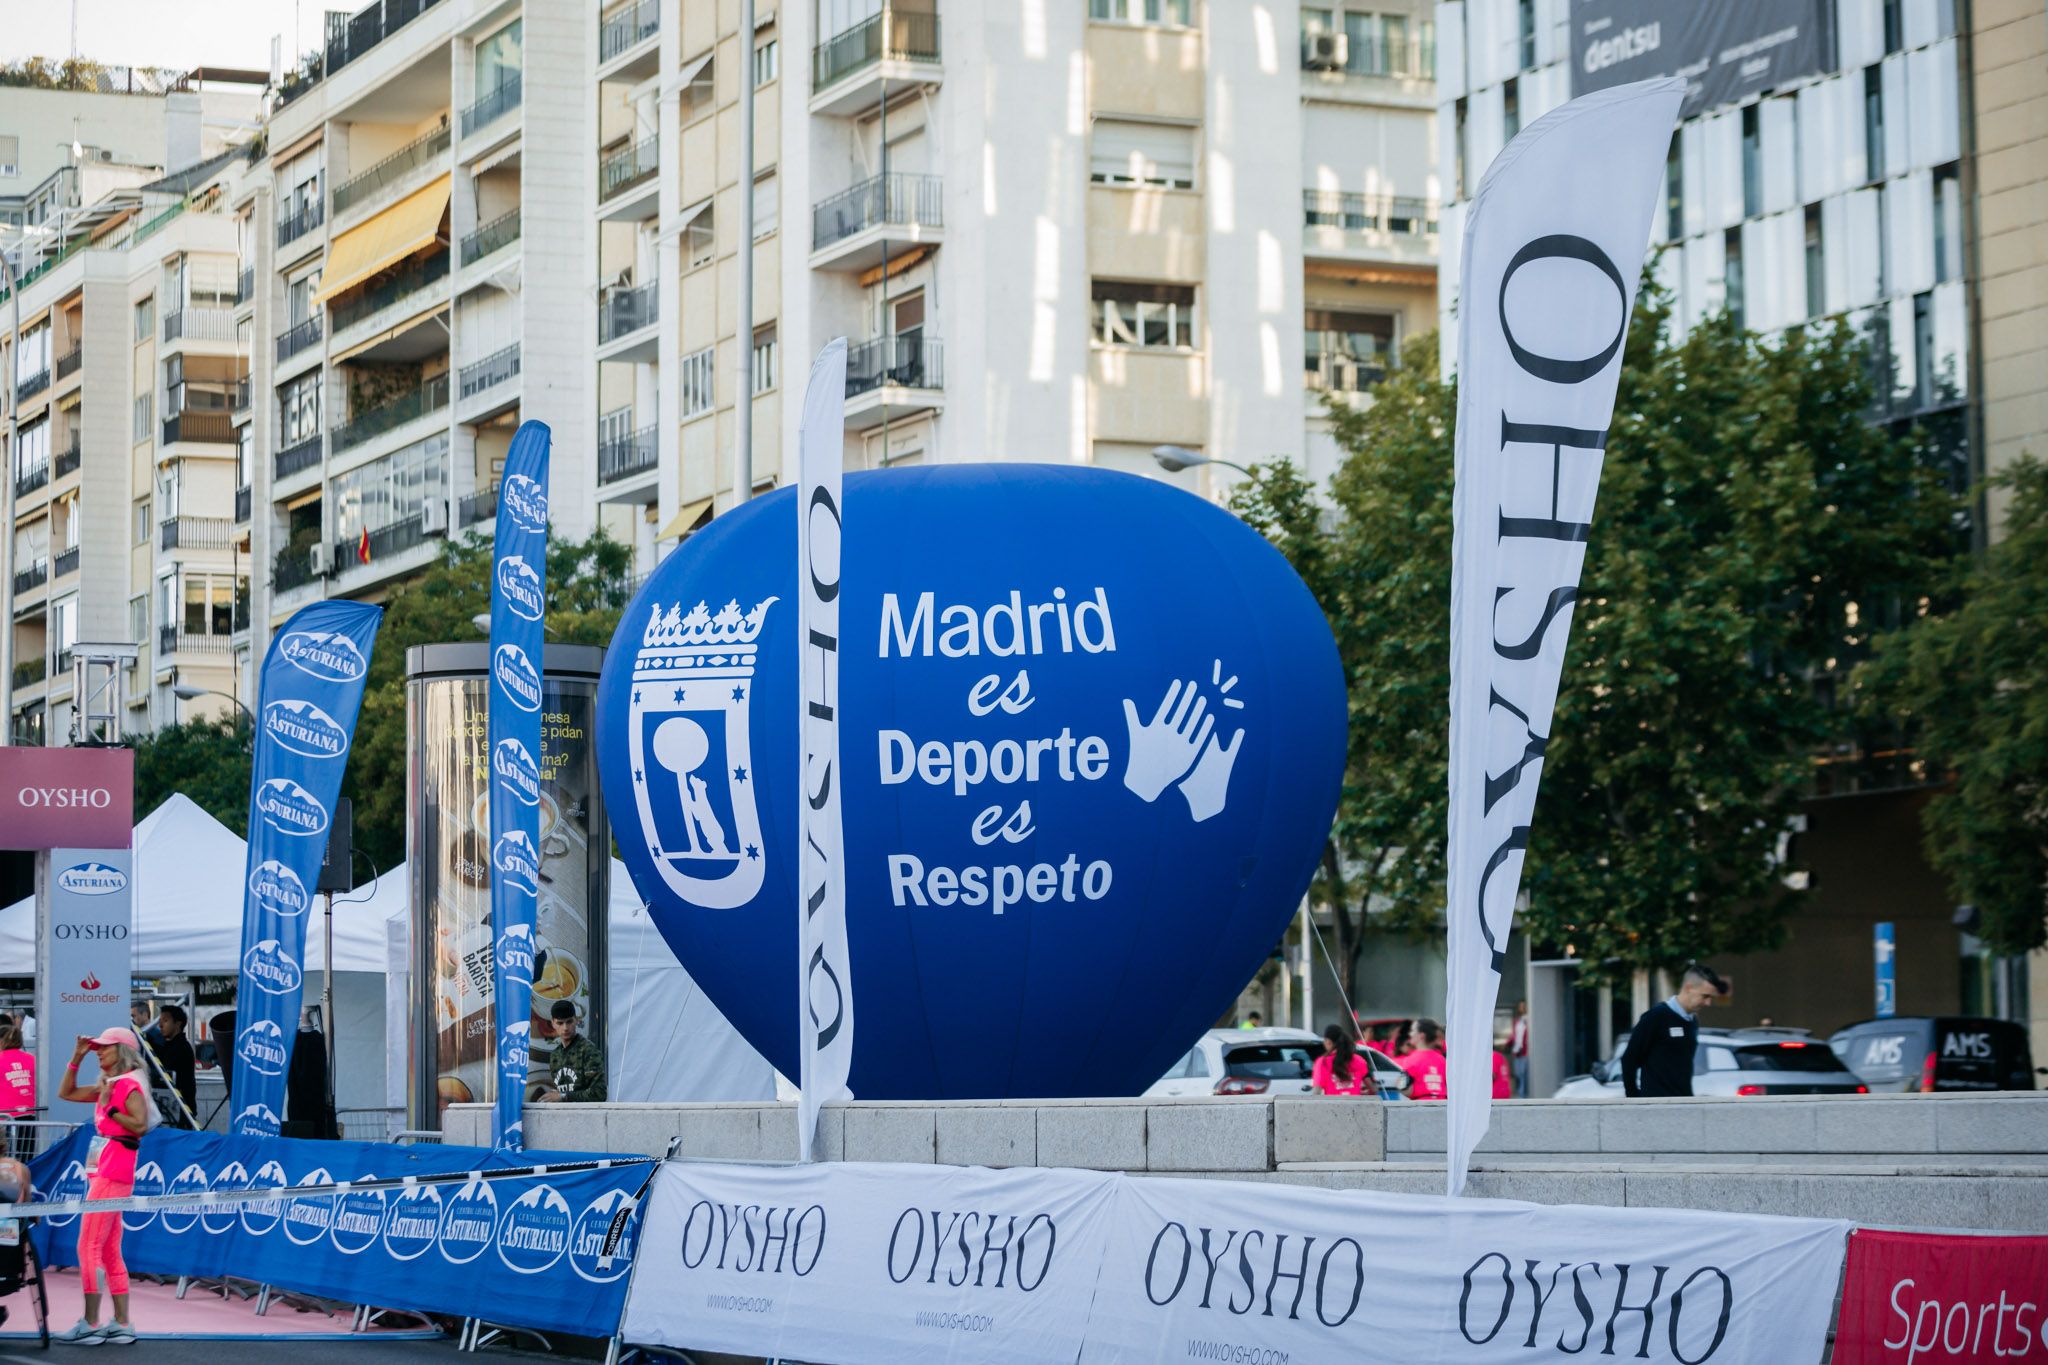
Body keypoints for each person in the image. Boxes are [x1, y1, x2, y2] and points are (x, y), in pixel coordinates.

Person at [55, 1025, 150, 1344]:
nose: (98, 1051)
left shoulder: (126, 1085)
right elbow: (66, 1093)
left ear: (122, 1051)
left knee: (89, 1245)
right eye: (96, 1047)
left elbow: (139, 1126)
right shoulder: (115, 1083)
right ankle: (121, 1322)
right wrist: (75, 1059)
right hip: (109, 1167)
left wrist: (109, 1106)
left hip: (113, 1169)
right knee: (108, 1248)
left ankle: (91, 1322)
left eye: (104, 1047)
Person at [1619, 963, 1726, 1098]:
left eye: (1711, 998)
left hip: (1683, 1105)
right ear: (1688, 987)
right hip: (1657, 1107)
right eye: (1705, 996)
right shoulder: (1656, 1017)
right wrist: (1634, 1099)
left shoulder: (1692, 1021)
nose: (1708, 1003)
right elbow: (1629, 1059)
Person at [537, 1001, 606, 1102]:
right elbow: (563, 1090)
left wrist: (563, 1096)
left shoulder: (588, 1051)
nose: (565, 1028)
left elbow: (599, 1093)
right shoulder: (555, 1056)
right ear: (553, 1023)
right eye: (560, 1023)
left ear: (576, 1020)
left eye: (569, 1022)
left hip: (587, 1115)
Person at [143, 1004, 197, 1124]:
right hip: (172, 1111)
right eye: (160, 1021)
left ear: (177, 1024)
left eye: (165, 1021)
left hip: (181, 1113)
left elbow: (164, 1069)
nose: (160, 1025)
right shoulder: (169, 1046)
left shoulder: (181, 1048)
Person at [1311, 1025, 1375, 1097]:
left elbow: (1316, 1093)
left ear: (1328, 1041)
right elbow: (1373, 1090)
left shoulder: (1323, 1062)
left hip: (1333, 1106)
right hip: (1356, 1106)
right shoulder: (1359, 1060)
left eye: (1324, 1040)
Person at [1398, 1019, 1449, 1100]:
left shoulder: (1410, 1060)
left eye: (1412, 1031)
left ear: (1421, 1035)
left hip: (1420, 1106)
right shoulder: (1443, 1060)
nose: (1410, 1034)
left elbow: (1404, 1089)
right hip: (1443, 1105)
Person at [1509, 1000, 1531, 1097]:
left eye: (1524, 1006)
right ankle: (1521, 1092)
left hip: (1524, 1051)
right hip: (1517, 1050)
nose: (1522, 1008)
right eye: (1520, 1006)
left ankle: (1522, 1095)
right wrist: (1507, 1043)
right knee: (1518, 1074)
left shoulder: (1529, 1019)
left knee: (1523, 1074)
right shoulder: (1517, 1021)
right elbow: (1514, 1035)